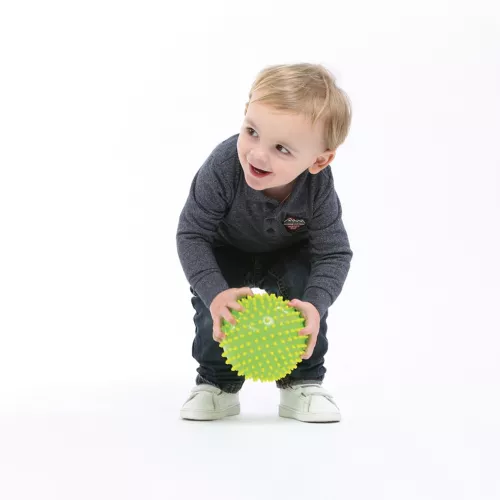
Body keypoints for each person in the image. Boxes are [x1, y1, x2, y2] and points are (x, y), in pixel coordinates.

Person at [176, 63, 353, 423]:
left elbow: (334, 251)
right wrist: (215, 292)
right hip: (228, 250)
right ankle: (217, 383)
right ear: (244, 115)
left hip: (289, 253)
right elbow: (192, 233)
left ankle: (302, 382)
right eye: (252, 131)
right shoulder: (223, 167)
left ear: (319, 160)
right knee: (217, 306)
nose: (257, 154)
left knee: (305, 291)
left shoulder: (318, 188)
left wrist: (316, 304)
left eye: (282, 149)